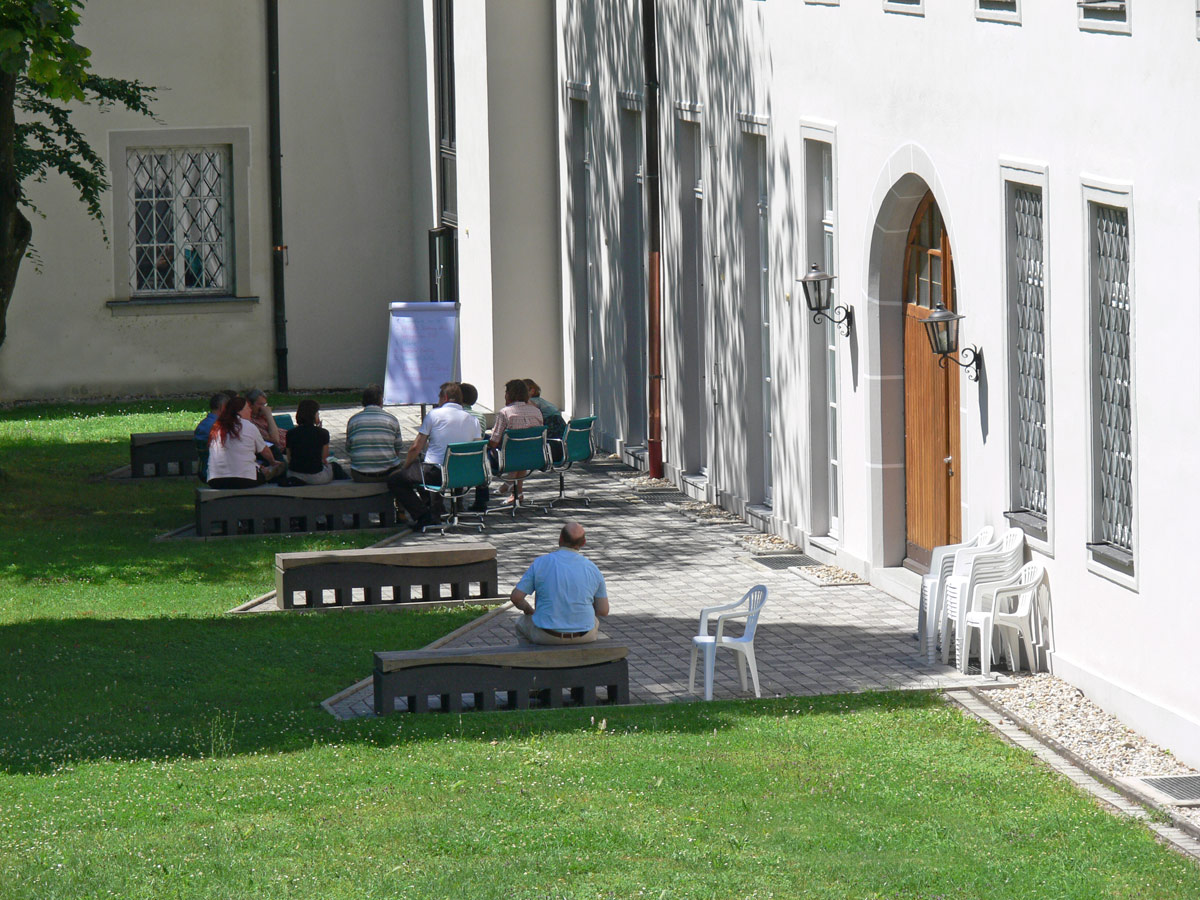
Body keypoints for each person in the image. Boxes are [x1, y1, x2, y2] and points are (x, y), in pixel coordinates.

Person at [388, 382, 482, 529]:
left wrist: (405, 467)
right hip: (463, 475)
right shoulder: (473, 420)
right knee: (419, 472)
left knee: (396, 479)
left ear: (445, 398)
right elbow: (478, 449)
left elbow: (415, 448)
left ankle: (423, 516)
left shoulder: (433, 415)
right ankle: (434, 511)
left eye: (439, 397)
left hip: (436, 473)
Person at [509, 523, 609, 644]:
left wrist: (529, 611)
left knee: (520, 623)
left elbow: (516, 598)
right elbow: (603, 611)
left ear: (560, 539)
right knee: (594, 621)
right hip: (584, 635)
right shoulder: (593, 568)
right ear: (583, 543)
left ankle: (530, 654)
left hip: (546, 635)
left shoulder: (541, 563)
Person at [489, 378, 544, 503]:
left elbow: (494, 442)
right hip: (533, 456)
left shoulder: (505, 413)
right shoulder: (536, 411)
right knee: (522, 449)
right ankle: (517, 493)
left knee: (499, 448)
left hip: (509, 458)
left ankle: (509, 483)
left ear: (509, 394)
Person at [206, 396, 279, 489]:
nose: (250, 410)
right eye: (247, 408)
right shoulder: (249, 426)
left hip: (215, 480)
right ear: (239, 411)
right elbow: (265, 451)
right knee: (278, 469)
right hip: (244, 479)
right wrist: (273, 462)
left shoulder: (217, 427)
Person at [345, 384, 405, 481]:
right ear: (381, 400)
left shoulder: (353, 421)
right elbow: (397, 448)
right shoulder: (392, 420)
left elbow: (349, 448)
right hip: (388, 474)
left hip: (360, 475)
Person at [286, 399, 341, 485]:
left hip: (294, 474)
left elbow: (289, 457)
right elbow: (324, 456)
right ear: (314, 415)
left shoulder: (290, 433)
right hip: (315, 476)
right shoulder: (323, 433)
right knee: (335, 466)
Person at [194, 392, 228, 483]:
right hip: (219, 473)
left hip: (204, 470)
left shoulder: (202, 425)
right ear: (223, 407)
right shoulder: (220, 427)